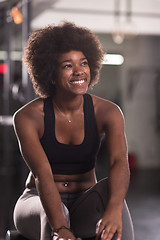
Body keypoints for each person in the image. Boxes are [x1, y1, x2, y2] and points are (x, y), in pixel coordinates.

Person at [13, 21, 134, 240]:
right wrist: (61, 228)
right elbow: (43, 176)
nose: (79, 71)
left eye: (84, 63)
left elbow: (119, 162)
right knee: (50, 216)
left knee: (117, 203)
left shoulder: (108, 111)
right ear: (50, 73)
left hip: (83, 199)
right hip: (36, 200)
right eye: (68, 65)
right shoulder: (28, 117)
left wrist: (114, 209)